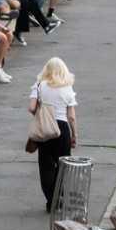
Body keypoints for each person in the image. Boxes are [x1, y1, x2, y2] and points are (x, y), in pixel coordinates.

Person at [28, 57, 79, 208]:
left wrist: (40, 113)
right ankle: (60, 195)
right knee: (62, 165)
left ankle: (51, 199)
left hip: (45, 128)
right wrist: (74, 134)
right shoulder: (67, 88)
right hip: (62, 129)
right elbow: (71, 116)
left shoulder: (38, 86)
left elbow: (31, 108)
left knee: (46, 166)